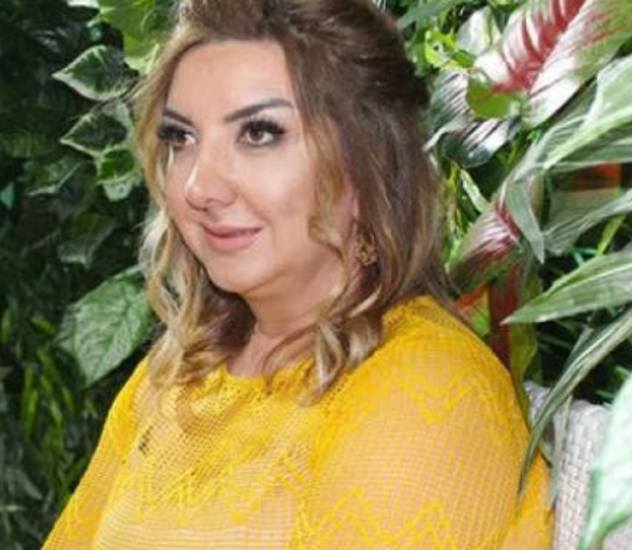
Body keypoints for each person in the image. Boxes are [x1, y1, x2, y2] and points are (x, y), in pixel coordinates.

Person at [43, 0, 553, 548]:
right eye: (181, 138)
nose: (199, 187)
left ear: (367, 162)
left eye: (259, 133)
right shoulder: (177, 375)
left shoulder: (430, 388)